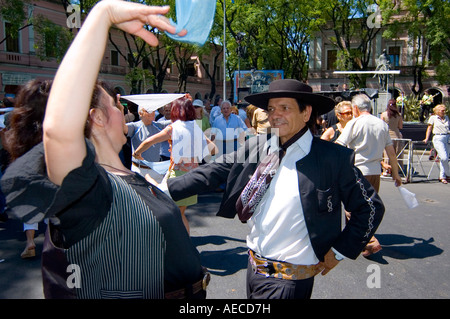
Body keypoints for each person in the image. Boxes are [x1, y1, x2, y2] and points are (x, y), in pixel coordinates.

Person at [1, 0, 209, 299]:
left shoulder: (121, 177)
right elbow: (58, 132)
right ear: (96, 118)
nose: (123, 110)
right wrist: (102, 15)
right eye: (115, 104)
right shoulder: (88, 186)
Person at [152, 79, 385, 299]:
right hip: (253, 271)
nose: (275, 115)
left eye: (285, 108)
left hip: (289, 281)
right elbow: (213, 171)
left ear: (306, 113)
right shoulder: (258, 146)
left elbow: (370, 207)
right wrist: (157, 192)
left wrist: (340, 251)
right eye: (272, 109)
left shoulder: (333, 158)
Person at [133, 97, 216, 234]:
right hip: (193, 176)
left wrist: (137, 153)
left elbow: (149, 141)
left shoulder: (173, 128)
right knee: (180, 213)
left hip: (177, 175)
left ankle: (179, 245)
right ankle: (185, 245)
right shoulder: (195, 128)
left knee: (164, 201)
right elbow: (213, 149)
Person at [336, 94, 402, 257]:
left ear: (356, 109)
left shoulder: (354, 123)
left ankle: (370, 242)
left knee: (353, 208)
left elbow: (339, 146)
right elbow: (391, 153)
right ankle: (357, 242)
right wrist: (396, 173)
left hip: (357, 171)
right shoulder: (381, 124)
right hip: (374, 172)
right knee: (369, 206)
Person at [2, 79, 52, 259]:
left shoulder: (18, 121)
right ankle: (51, 244)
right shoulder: (54, 122)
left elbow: (11, 147)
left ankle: (30, 243)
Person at [126, 103, 169, 181]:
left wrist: (186, 104)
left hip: (155, 170)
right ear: (140, 113)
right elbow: (121, 127)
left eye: (153, 110)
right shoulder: (135, 126)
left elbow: (179, 121)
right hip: (138, 169)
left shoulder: (159, 125)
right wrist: (120, 108)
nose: (151, 113)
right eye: (148, 110)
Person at [423, 104, 450, 184]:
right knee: (444, 157)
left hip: (447, 137)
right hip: (438, 137)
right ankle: (448, 174)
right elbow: (429, 128)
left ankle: (442, 176)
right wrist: (426, 138)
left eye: (444, 110)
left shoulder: (447, 117)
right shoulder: (433, 118)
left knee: (445, 158)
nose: (444, 112)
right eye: (442, 110)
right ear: (438, 111)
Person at [380, 99, 404, 175]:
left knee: (387, 153)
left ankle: (386, 170)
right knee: (397, 153)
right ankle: (397, 169)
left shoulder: (383, 114)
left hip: (387, 135)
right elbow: (400, 126)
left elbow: (381, 126)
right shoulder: (398, 115)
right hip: (396, 135)